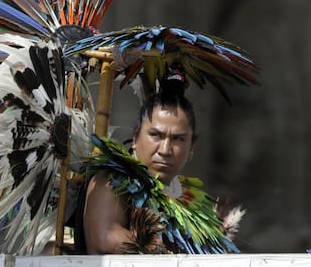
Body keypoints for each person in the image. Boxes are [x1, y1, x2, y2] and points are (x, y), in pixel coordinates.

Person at [73, 68, 243, 254]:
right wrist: (177, 252)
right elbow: (105, 239)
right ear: (136, 138)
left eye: (178, 139)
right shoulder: (111, 178)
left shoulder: (192, 202)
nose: (165, 150)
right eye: (156, 135)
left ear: (191, 147)